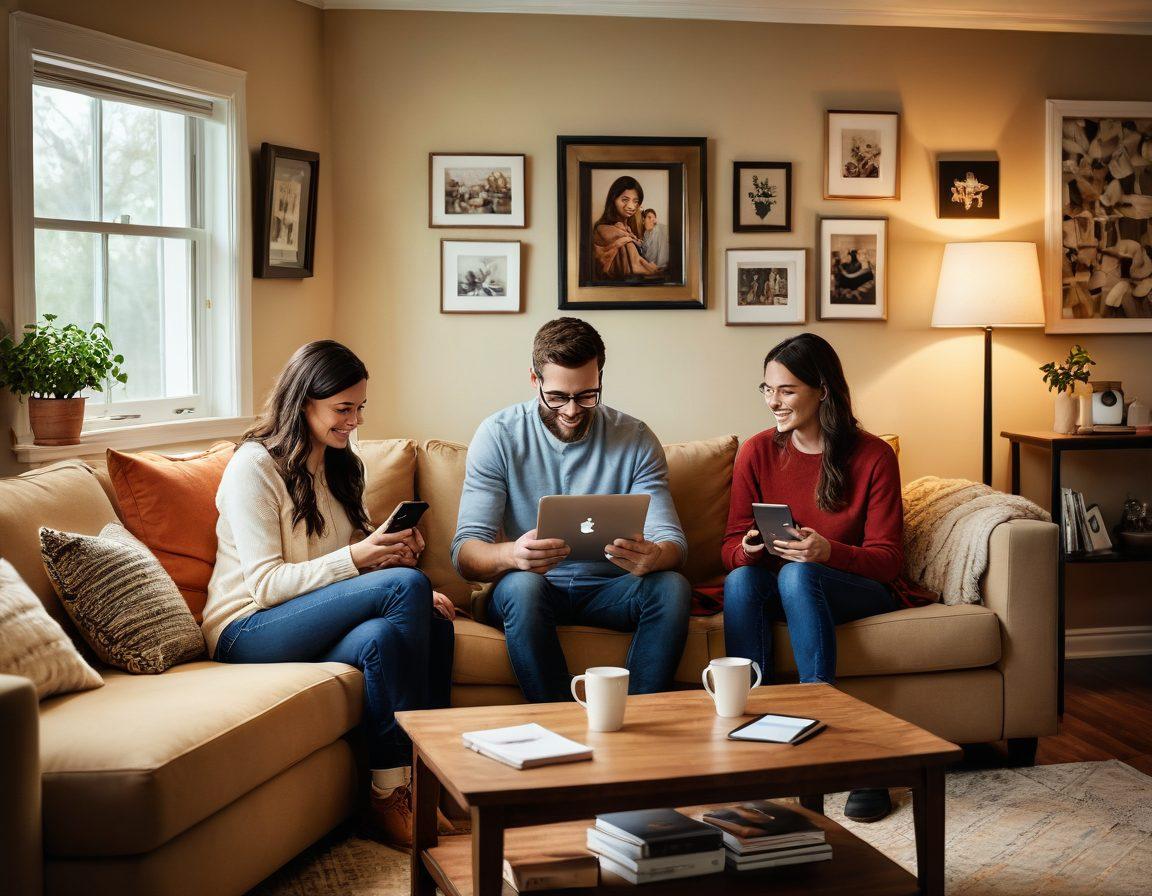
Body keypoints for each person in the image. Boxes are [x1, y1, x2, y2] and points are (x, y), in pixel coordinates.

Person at [199, 340, 456, 851]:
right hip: (246, 629)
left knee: (412, 625)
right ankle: (408, 787)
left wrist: (384, 553)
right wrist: (369, 566)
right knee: (408, 588)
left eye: (360, 407)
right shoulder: (253, 467)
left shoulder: (342, 463)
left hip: (305, 619)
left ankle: (407, 788)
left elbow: (342, 558)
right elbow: (268, 585)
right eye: (343, 408)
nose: (355, 420)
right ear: (303, 402)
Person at [721, 333, 923, 824]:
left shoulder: (874, 456)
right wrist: (746, 550)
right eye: (766, 389)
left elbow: (888, 559)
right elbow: (727, 549)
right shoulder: (757, 452)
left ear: (823, 391)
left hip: (855, 586)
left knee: (798, 575)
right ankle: (756, 738)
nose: (773, 402)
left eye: (786, 391)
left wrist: (828, 550)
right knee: (742, 584)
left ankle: (830, 741)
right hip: (781, 582)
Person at [452, 317, 691, 703]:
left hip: (610, 591)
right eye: (558, 396)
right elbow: (465, 553)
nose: (571, 410)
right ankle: (555, 721)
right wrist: (512, 554)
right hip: (532, 590)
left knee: (672, 587)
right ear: (535, 381)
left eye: (586, 395)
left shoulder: (636, 438)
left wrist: (655, 556)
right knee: (524, 586)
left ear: (600, 378)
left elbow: (673, 543)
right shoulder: (498, 435)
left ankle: (641, 716)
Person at [591, 176, 664, 279]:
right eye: (625, 200)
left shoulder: (629, 230)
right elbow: (632, 269)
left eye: (635, 201)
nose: (631, 206)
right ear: (613, 200)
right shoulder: (604, 230)